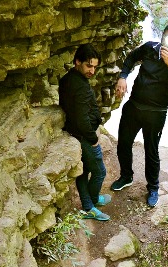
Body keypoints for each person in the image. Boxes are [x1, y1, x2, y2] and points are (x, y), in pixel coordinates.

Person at [111, 23, 168, 207]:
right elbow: (131, 58)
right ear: (162, 36)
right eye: (167, 37)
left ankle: (153, 187)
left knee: (151, 150)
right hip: (134, 106)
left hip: (156, 113)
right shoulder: (149, 48)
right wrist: (123, 76)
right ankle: (126, 176)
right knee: (123, 143)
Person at [59, 43, 111, 220]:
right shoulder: (80, 86)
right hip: (83, 135)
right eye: (89, 65)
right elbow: (82, 118)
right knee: (99, 172)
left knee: (84, 170)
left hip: (73, 132)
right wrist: (93, 139)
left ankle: (90, 203)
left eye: (95, 67)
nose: (92, 71)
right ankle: (91, 203)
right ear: (77, 62)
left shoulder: (68, 79)